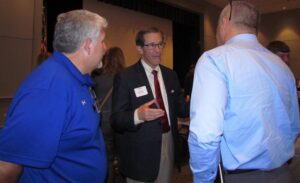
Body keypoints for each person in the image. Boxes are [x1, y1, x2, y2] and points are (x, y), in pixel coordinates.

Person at [188, 1, 300, 183]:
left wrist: (203, 179)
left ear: (225, 21)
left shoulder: (214, 60)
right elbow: (294, 126)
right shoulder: (282, 67)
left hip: (241, 177)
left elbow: (205, 135)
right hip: (284, 174)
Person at [0, 10, 108, 182]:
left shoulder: (75, 79)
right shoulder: (49, 89)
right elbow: (7, 167)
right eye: (102, 42)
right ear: (88, 45)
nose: (105, 47)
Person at [111, 27, 187, 183]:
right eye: (152, 45)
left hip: (168, 143)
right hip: (140, 153)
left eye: (160, 44)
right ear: (139, 48)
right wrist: (138, 115)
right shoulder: (126, 77)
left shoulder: (170, 75)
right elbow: (116, 119)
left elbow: (181, 108)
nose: (158, 50)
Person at [92, 47, 126, 183]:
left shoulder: (97, 77)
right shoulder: (126, 76)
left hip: (103, 122)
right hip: (122, 122)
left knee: (108, 159)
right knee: (124, 157)